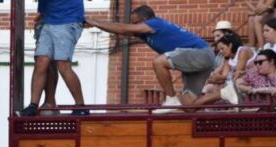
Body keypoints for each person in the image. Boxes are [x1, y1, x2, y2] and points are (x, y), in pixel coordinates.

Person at [87, 5, 215, 114]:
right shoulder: (147, 31)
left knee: (159, 62)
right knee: (189, 106)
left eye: (135, 23)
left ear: (144, 20)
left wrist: (94, 21)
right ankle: (225, 93)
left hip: (201, 54)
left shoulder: (154, 23)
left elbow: (124, 28)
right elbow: (120, 30)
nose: (133, 26)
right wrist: (96, 24)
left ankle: (171, 99)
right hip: (201, 60)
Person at [17, 0, 88, 117]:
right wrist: (42, 14)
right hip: (49, 20)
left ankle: (81, 106)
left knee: (63, 64)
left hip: (68, 19)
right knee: (41, 61)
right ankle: (33, 105)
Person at [196, 33, 257, 105]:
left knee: (217, 89)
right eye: (219, 50)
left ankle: (196, 104)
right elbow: (225, 75)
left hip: (247, 80)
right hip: (234, 81)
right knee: (212, 86)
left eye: (222, 48)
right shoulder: (227, 57)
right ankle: (203, 106)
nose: (221, 52)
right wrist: (213, 78)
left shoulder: (243, 51)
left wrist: (221, 80)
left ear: (230, 45)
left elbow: (238, 72)